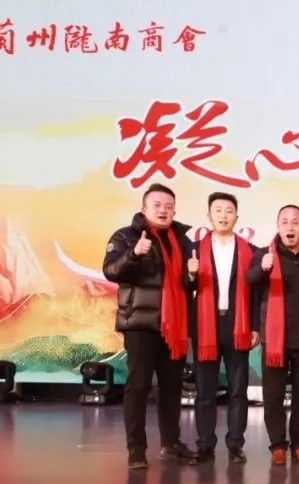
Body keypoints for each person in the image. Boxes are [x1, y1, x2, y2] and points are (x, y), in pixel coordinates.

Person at [102, 182, 197, 469]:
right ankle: (136, 450)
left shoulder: (182, 242)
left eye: (169, 206)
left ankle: (171, 444)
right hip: (140, 324)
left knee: (172, 387)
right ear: (144, 208)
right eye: (157, 205)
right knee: (139, 386)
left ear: (174, 211)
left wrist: (193, 276)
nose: (163, 210)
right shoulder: (126, 236)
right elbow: (111, 271)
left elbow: (186, 284)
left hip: (174, 327)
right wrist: (134, 254)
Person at [246, 205, 299, 466]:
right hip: (274, 339)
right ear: (278, 226)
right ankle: (277, 446)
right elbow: (250, 286)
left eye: (295, 222)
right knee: (273, 395)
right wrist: (261, 268)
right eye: (284, 222)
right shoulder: (264, 255)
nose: (290, 227)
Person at [189, 192, 259, 465]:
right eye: (218, 210)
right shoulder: (194, 249)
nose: (223, 215)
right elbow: (183, 286)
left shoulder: (250, 251)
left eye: (229, 211)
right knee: (205, 391)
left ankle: (235, 446)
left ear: (236, 217)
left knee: (238, 390)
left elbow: (256, 293)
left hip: (237, 324)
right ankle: (205, 445)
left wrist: (255, 326)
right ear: (208, 216)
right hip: (206, 325)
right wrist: (191, 274)